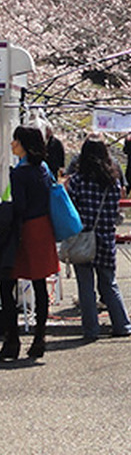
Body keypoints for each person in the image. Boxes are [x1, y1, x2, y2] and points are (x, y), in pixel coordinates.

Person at [0, 126, 60, 360]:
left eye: (16, 140)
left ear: (24, 144)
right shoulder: (43, 169)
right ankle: (39, 337)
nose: (12, 144)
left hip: (23, 232)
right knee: (39, 283)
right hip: (43, 228)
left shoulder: (20, 173)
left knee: (6, 284)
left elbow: (19, 207)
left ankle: (12, 340)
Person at [66, 134, 131, 340]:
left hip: (83, 239)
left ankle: (91, 330)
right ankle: (122, 325)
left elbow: (71, 211)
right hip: (106, 238)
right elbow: (116, 211)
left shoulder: (77, 181)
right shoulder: (113, 181)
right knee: (109, 284)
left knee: (86, 287)